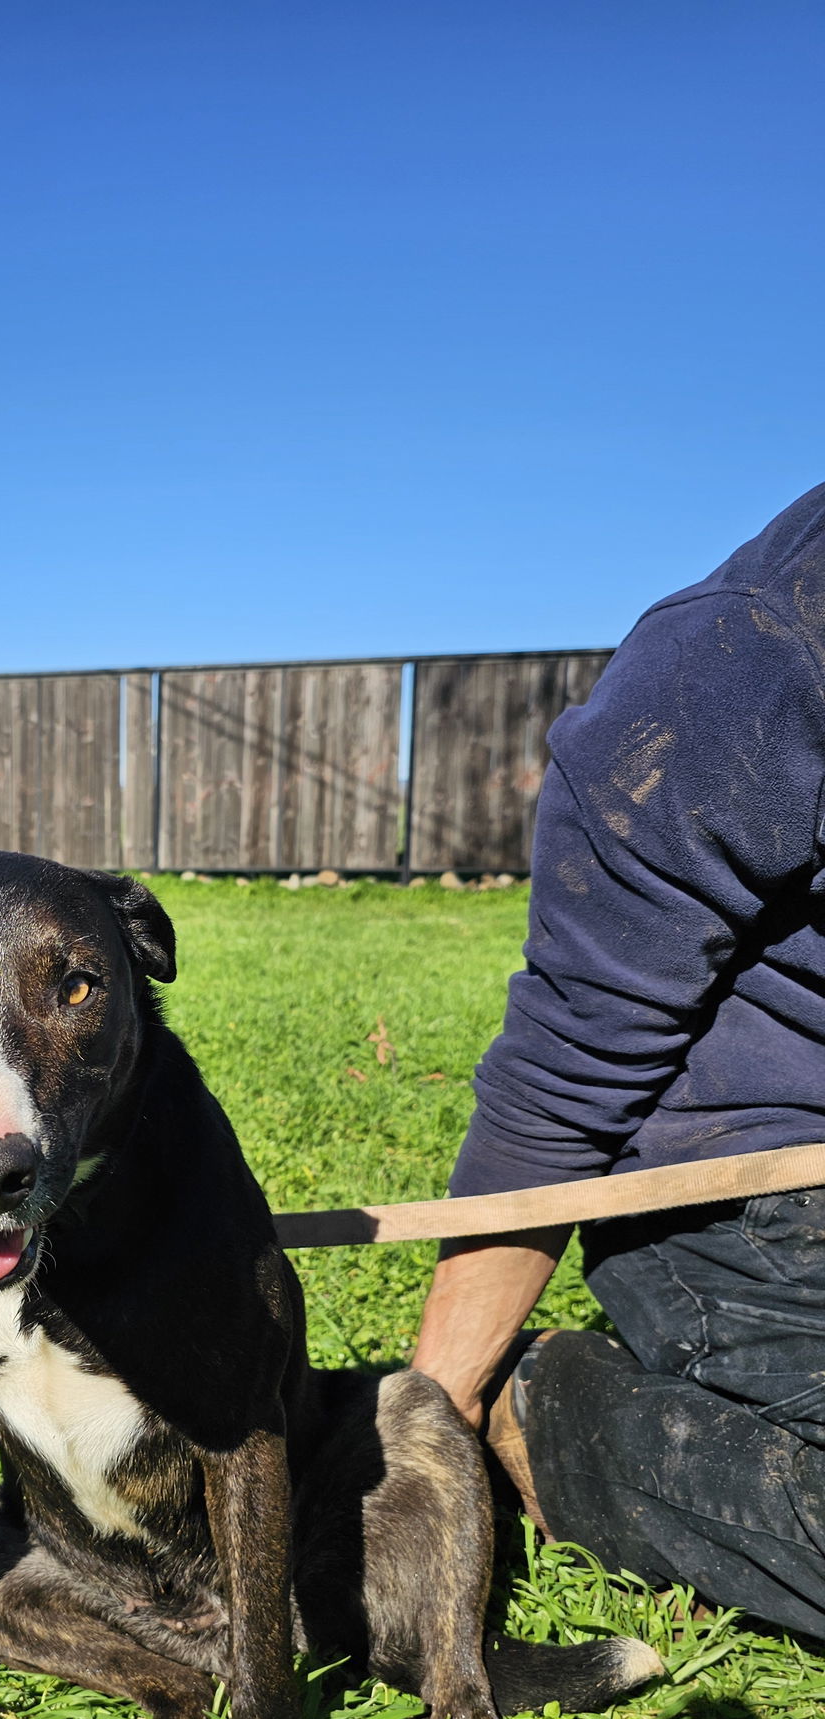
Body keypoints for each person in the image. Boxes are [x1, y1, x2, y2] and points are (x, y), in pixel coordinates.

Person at [411, 483, 825, 1643]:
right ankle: (560, 1421)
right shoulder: (752, 659)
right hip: (748, 1191)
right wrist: (426, 1429)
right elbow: (562, 1079)